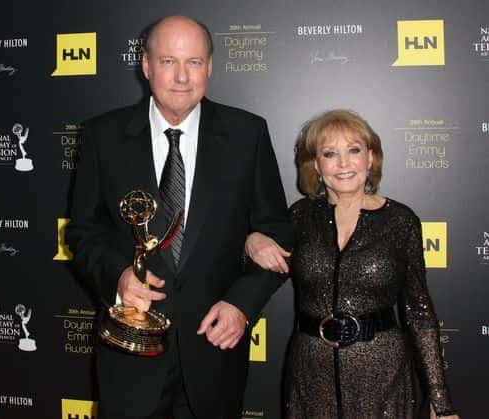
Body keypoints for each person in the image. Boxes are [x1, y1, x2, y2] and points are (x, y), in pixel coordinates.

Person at [66, 16, 291, 419]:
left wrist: (241, 305)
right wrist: (117, 276)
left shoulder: (247, 134)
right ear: (147, 66)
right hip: (130, 355)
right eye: (169, 61)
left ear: (210, 67)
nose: (182, 76)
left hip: (214, 354)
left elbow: (275, 235)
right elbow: (83, 233)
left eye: (194, 62)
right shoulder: (102, 136)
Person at [245, 110, 459, 419]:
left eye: (354, 150)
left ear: (370, 158)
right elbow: (260, 274)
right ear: (316, 165)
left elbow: (419, 311)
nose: (343, 164)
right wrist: (250, 241)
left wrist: (440, 400)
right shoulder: (300, 218)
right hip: (310, 373)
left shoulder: (400, 222)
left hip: (383, 373)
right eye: (330, 154)